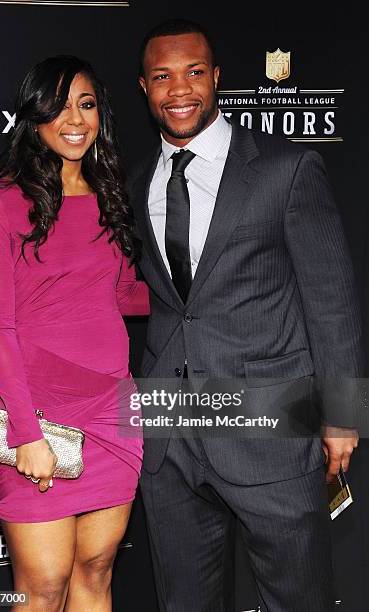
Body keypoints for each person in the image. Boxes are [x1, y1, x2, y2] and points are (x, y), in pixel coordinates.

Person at [131, 19, 362, 612]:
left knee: (298, 599)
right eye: (162, 77)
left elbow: (331, 299)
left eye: (194, 73)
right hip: (169, 433)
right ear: (144, 88)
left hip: (273, 422)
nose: (179, 90)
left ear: (217, 79)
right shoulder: (135, 185)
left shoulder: (286, 170)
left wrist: (342, 416)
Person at [0, 55, 149, 612]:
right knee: (42, 588)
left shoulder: (109, 198)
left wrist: (205, 285)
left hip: (113, 415)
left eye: (87, 104)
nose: (75, 119)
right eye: (60, 106)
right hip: (35, 417)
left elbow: (125, 297)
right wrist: (26, 433)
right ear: (35, 116)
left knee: (94, 572)